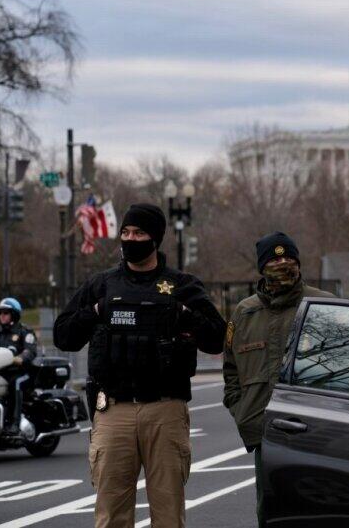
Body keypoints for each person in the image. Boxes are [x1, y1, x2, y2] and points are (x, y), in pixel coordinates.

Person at [54, 203, 226, 528]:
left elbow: (218, 338)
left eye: (139, 233)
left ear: (156, 239)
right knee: (111, 515)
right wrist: (95, 312)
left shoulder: (182, 285)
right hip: (113, 410)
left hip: (165, 409)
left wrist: (185, 316)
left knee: (168, 514)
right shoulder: (102, 285)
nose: (131, 239)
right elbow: (63, 336)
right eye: (126, 232)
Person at [222, 231, 334, 528]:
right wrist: (242, 410)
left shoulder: (324, 305)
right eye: (274, 260)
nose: (282, 264)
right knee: (272, 513)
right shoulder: (244, 314)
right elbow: (231, 371)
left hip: (320, 431)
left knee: (323, 511)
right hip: (266, 433)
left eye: (288, 259)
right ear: (262, 267)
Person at [0, 297, 37, 435]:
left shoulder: (24, 331)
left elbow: (30, 351)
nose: (2, 316)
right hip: (1, 372)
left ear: (14, 314)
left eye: (6, 313)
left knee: (16, 383)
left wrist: (19, 358)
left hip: (21, 372)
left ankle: (15, 423)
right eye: (0, 313)